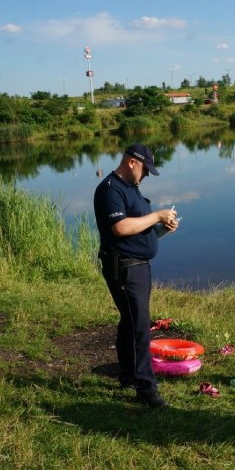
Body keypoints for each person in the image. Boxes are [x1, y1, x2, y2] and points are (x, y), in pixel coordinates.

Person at [93, 143, 179, 407]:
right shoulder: (110, 190)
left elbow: (138, 231)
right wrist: (155, 215)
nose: (146, 175)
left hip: (139, 265)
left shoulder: (132, 189)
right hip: (124, 267)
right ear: (132, 162)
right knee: (140, 325)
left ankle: (129, 375)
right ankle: (146, 389)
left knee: (130, 321)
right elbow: (120, 228)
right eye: (145, 169)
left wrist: (162, 228)